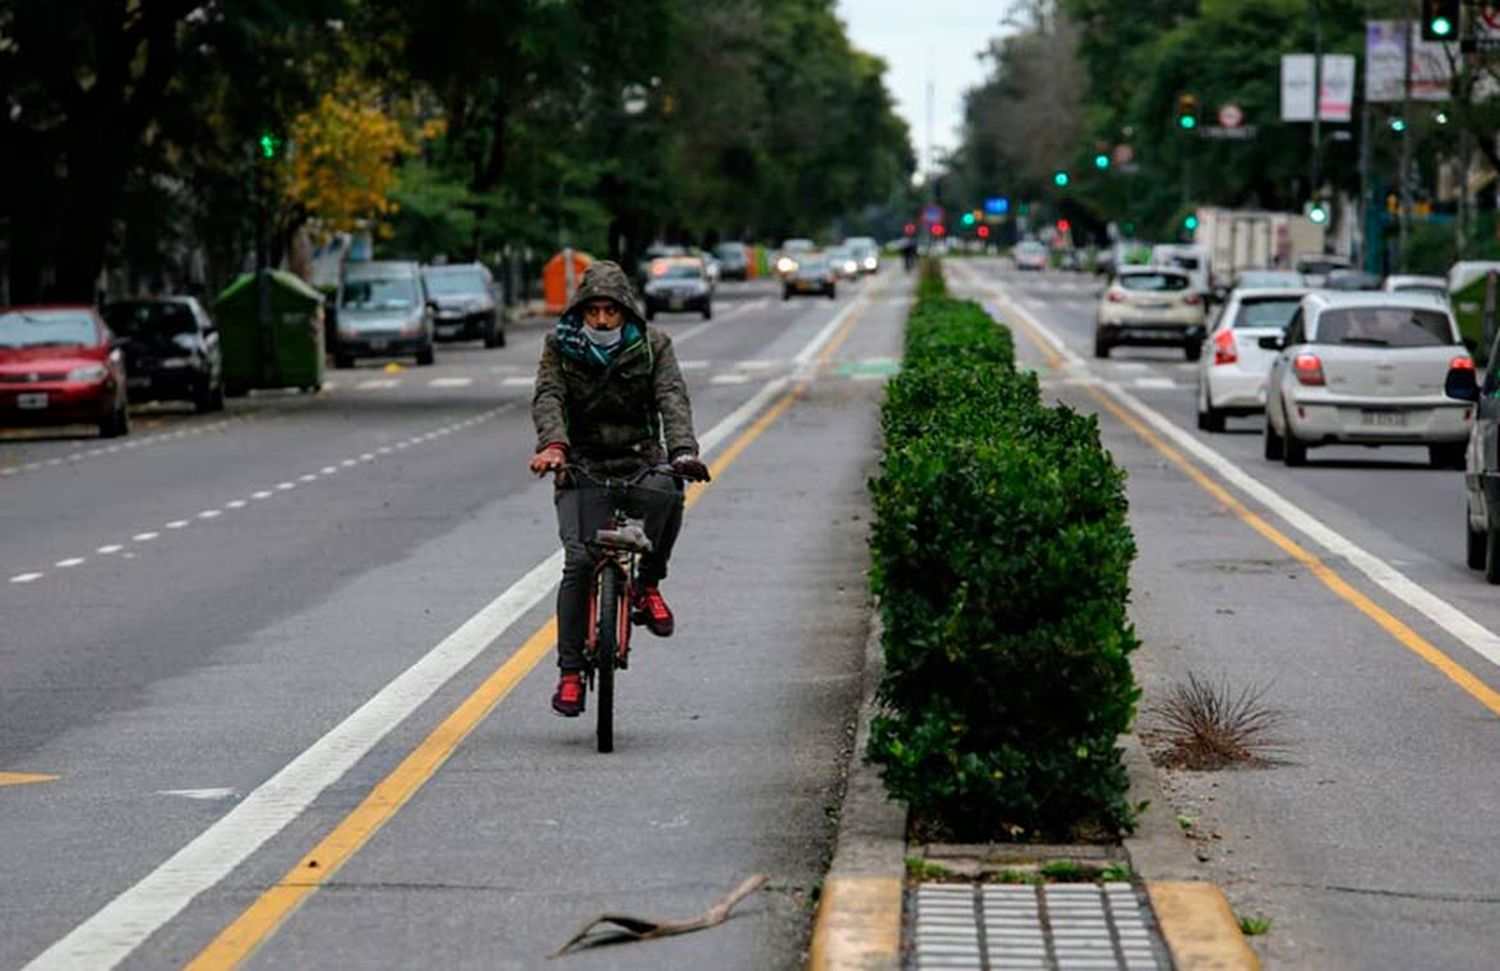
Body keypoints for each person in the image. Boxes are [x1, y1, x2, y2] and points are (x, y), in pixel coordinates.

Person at [529, 260, 711, 717]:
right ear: (581, 313)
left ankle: (648, 586)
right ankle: (570, 673)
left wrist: (683, 451)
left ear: (627, 311)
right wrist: (553, 445)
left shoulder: (653, 347)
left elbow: (672, 397)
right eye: (594, 312)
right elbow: (549, 396)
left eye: (612, 311)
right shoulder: (560, 346)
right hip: (582, 465)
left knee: (669, 491)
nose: (604, 321)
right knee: (578, 562)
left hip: (640, 459)